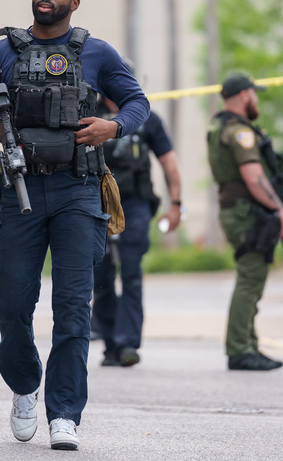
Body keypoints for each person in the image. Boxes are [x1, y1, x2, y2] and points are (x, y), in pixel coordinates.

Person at [0, 0, 149, 451]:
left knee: (72, 311)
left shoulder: (98, 53)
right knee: (11, 304)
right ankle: (25, 385)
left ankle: (64, 412)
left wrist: (114, 126)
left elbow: (138, 104)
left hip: (77, 192)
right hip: (19, 192)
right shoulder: (0, 51)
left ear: (75, 2)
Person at [207, 74, 283, 371]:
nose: (256, 99)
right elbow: (254, 177)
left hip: (237, 209)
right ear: (244, 95)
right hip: (245, 211)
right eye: (254, 94)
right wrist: (279, 208)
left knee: (251, 277)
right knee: (250, 277)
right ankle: (240, 348)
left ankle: (249, 344)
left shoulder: (219, 126)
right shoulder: (239, 131)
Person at [92, 93, 182, 368]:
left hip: (135, 203)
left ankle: (128, 343)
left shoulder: (146, 118)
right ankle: (110, 344)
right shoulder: (87, 113)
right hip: (98, 202)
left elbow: (168, 161)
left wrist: (176, 203)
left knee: (131, 273)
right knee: (101, 274)